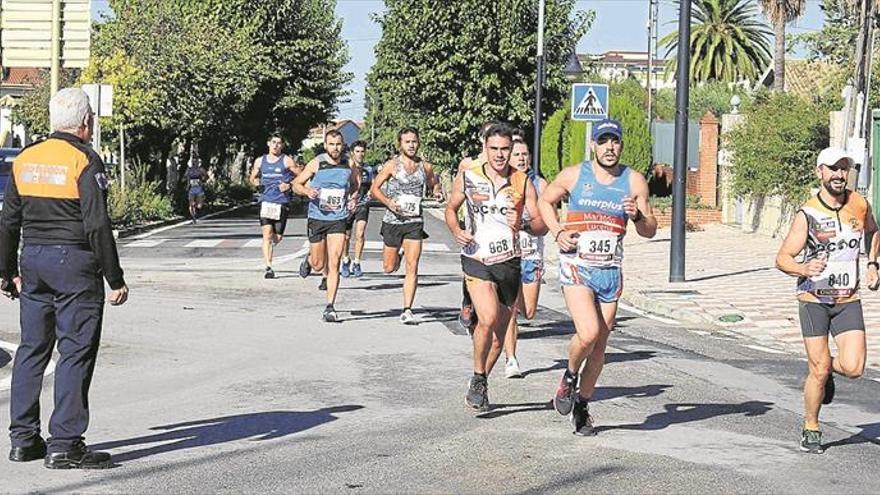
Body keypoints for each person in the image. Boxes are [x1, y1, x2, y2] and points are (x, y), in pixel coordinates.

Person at [0, 87, 129, 469]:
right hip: (74, 262)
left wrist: (6, 272)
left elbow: (8, 222)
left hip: (34, 260)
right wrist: (114, 277)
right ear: (86, 122)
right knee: (75, 350)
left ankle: (23, 440)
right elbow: (97, 224)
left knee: (32, 349)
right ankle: (65, 444)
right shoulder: (84, 160)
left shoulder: (25, 159)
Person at [538, 118, 657, 435]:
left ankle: (582, 406)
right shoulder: (575, 175)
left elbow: (649, 230)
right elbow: (545, 201)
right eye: (603, 141)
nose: (609, 147)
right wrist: (557, 231)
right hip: (577, 267)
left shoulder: (634, 181)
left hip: (609, 271)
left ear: (621, 144)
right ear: (594, 144)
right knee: (588, 333)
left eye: (615, 141)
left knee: (601, 348)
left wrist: (637, 215)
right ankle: (569, 374)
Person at [775, 147, 878, 454]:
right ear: (820, 172)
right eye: (832, 169)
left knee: (855, 367)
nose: (839, 175)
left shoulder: (859, 204)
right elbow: (782, 257)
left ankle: (827, 369)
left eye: (843, 169)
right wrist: (803, 268)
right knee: (817, 370)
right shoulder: (808, 213)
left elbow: (873, 232)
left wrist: (873, 264)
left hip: (847, 299)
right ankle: (811, 426)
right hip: (813, 300)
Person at [445, 123, 546, 411]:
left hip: (510, 263)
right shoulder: (469, 176)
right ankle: (479, 377)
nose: (500, 155)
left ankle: (480, 381)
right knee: (487, 318)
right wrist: (455, 229)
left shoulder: (522, 182)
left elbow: (541, 225)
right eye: (494, 149)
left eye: (505, 150)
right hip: (476, 257)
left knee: (500, 339)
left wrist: (524, 223)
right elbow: (451, 209)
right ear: (485, 149)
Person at [488, 138, 547, 379]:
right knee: (511, 310)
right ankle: (511, 359)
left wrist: (524, 222)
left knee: (529, 311)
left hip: (532, 253)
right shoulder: (502, 182)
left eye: (525, 154)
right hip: (508, 255)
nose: (522, 158)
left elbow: (545, 219)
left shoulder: (540, 184)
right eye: (517, 154)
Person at [371, 128, 443, 324]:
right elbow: (374, 189)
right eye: (407, 142)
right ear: (400, 144)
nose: (411, 145)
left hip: (414, 221)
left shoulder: (425, 167)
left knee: (413, 267)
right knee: (389, 267)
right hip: (393, 220)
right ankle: (398, 254)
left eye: (414, 141)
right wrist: (388, 202)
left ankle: (407, 309)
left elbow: (434, 183)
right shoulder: (392, 165)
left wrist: (437, 191)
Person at [293, 130, 359, 322]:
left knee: (334, 262)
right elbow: (296, 183)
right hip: (317, 217)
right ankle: (309, 260)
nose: (335, 148)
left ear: (343, 145)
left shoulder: (349, 163)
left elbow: (356, 186)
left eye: (338, 144)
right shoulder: (317, 163)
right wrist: (307, 191)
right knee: (319, 263)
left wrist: (353, 199)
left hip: (338, 218)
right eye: (331, 144)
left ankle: (330, 306)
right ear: (325, 145)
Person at [457, 120, 499, 333]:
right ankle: (468, 302)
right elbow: (455, 194)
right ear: (481, 139)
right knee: (473, 266)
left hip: (496, 223)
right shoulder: (468, 164)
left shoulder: (502, 164)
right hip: (472, 223)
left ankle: (493, 308)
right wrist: (457, 227)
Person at [249, 134, 298, 279]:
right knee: (267, 235)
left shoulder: (286, 160)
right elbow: (252, 177)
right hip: (266, 201)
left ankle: (272, 245)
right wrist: (256, 183)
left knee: (278, 237)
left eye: (279, 143)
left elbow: (301, 175)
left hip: (281, 202)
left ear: (282, 146)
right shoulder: (260, 161)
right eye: (273, 142)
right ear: (268, 143)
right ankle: (269, 266)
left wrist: (289, 185)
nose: (276, 145)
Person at [341, 141, 377, 278]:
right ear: (352, 153)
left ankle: (357, 262)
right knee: (345, 236)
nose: (360, 154)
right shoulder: (346, 168)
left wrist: (369, 194)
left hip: (362, 204)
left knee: (360, 234)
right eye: (357, 151)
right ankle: (345, 260)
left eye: (362, 151)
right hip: (347, 205)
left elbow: (374, 185)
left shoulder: (368, 168)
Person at [184, 158, 208, 223]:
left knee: (199, 205)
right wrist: (187, 183)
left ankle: (196, 206)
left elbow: (206, 176)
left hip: (199, 188)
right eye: (193, 162)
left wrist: (202, 180)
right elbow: (185, 177)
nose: (194, 164)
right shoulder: (188, 170)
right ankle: (193, 217)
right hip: (191, 189)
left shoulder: (201, 169)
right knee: (191, 204)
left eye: (195, 162)